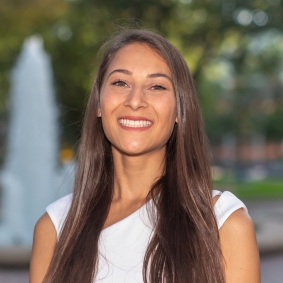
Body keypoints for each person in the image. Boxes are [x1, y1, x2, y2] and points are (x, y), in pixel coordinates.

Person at [30, 29, 260, 283]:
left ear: (179, 111)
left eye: (156, 86)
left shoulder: (223, 224)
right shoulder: (55, 227)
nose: (135, 100)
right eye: (120, 82)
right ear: (98, 103)